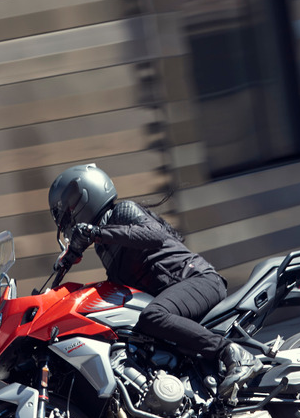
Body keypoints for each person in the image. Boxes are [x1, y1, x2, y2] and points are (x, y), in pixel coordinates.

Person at [48, 163, 261, 403]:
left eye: (68, 212)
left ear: (85, 195)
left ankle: (232, 353)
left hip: (198, 280)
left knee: (152, 317)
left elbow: (155, 236)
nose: (67, 221)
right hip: (173, 297)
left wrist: (96, 232)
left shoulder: (123, 212)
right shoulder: (104, 247)